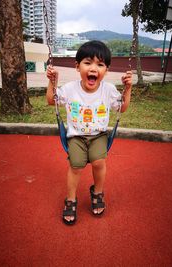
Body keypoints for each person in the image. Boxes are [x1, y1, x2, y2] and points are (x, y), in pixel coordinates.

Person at [46, 40, 132, 225]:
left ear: (106, 70)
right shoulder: (70, 89)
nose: (94, 68)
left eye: (100, 64)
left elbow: (122, 108)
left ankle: (98, 192)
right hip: (76, 135)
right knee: (76, 166)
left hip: (99, 135)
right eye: (88, 62)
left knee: (99, 161)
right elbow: (52, 101)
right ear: (77, 67)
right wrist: (52, 82)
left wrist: (128, 88)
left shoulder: (108, 90)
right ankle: (70, 199)